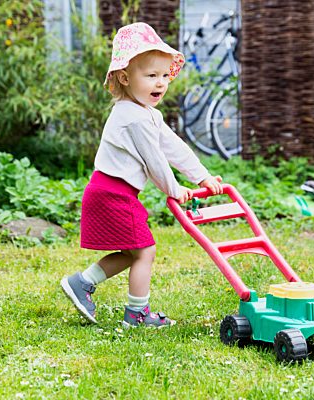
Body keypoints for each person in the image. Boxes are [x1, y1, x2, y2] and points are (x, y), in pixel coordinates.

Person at [60, 22, 223, 328]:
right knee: (144, 250)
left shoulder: (146, 113)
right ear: (125, 77)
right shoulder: (132, 117)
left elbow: (172, 147)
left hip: (112, 192)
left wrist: (202, 176)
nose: (160, 83)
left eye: (164, 75)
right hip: (112, 194)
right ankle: (137, 315)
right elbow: (154, 161)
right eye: (150, 75)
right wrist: (174, 188)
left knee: (134, 250)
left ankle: (82, 283)